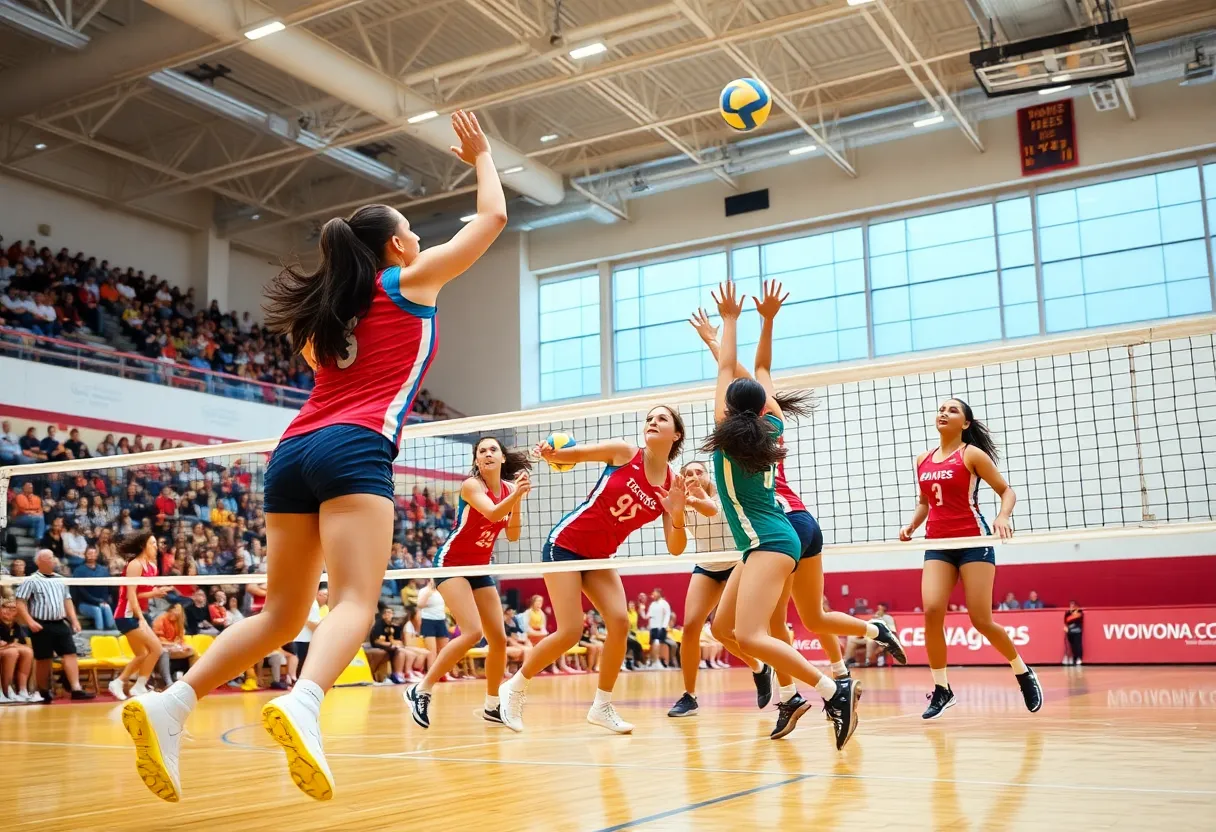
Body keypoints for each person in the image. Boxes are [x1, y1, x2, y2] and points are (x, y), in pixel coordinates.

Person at [118, 108, 508, 803]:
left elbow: (326, 359)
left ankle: (172, 702)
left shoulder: (325, 312)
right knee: (356, 597)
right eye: (412, 232)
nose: (420, 239)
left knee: (283, 614)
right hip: (355, 448)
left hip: (292, 450)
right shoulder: (409, 284)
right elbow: (492, 220)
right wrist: (481, 157)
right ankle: (304, 702)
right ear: (394, 245)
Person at [685, 285, 902, 740]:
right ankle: (796, 693)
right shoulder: (773, 425)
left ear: (728, 408)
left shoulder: (726, 434)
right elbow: (752, 371)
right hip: (763, 541)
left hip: (771, 539)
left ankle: (830, 689)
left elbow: (731, 367)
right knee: (724, 628)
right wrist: (750, 322)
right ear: (764, 406)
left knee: (753, 636)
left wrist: (726, 323)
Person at [498, 405, 690, 734]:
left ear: (676, 435)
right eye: (649, 418)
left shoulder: (671, 485)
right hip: (566, 545)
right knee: (570, 630)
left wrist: (677, 512)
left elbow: (675, 547)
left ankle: (602, 706)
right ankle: (513, 687)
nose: (652, 422)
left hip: (600, 557)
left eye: (661, 419)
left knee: (618, 622)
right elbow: (572, 455)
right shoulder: (624, 452)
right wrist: (550, 451)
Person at [900, 397, 1042, 719]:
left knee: (981, 619)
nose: (943, 413)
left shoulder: (971, 454)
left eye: (952, 410)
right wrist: (911, 524)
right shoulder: (922, 458)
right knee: (932, 611)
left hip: (972, 540)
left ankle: (1022, 671)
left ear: (965, 423)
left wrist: (1004, 516)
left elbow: (1007, 491)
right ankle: (942, 689)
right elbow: (925, 502)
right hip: (937, 542)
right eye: (941, 409)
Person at [405, 437, 532, 729]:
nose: (487, 454)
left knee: (498, 639)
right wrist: (516, 497)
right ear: (476, 460)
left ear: (502, 458)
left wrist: (519, 499)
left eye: (493, 450)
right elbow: (491, 512)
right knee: (473, 632)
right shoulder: (471, 486)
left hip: (479, 566)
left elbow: (512, 535)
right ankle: (420, 689)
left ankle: (491, 706)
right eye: (482, 451)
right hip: (451, 563)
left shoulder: (511, 490)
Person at [13, 550, 95, 701]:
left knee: (70, 653)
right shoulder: (31, 580)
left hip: (60, 623)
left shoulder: (60, 580)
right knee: (44, 659)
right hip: (41, 624)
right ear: (41, 561)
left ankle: (76, 688)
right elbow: (20, 602)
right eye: (51, 558)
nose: (54, 560)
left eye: (53, 557)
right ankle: (43, 691)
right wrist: (30, 621)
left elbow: (67, 601)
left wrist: (74, 620)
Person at [109, 531, 168, 700]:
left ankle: (126, 684)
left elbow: (143, 593)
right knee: (157, 648)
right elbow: (130, 595)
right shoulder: (135, 565)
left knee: (142, 654)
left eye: (157, 543)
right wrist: (140, 617)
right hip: (126, 614)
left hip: (138, 613)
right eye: (153, 543)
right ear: (143, 545)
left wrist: (156, 593)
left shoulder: (153, 567)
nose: (156, 547)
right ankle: (136, 685)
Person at [0, 599, 36, 703]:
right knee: (12, 652)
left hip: (6, 650)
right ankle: (7, 690)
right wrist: (11, 645)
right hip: (6, 651)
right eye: (5, 607)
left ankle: (23, 690)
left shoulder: (15, 625)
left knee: (28, 652)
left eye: (12, 609)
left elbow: (23, 643)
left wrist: (12, 645)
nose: (7, 611)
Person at [370, 607, 408, 684]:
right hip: (378, 646)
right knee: (392, 651)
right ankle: (381, 676)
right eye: (388, 613)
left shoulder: (392, 626)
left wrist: (397, 644)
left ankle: (397, 674)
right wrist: (391, 644)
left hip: (389, 646)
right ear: (383, 615)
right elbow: (377, 641)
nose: (390, 615)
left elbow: (396, 640)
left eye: (391, 613)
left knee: (401, 651)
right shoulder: (379, 625)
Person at [645, 588, 672, 667]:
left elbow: (667, 615)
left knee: (658, 643)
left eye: (655, 593)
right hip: (653, 627)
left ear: (659, 594)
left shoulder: (664, 603)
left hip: (660, 627)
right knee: (653, 644)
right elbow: (648, 616)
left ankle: (657, 661)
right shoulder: (652, 604)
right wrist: (641, 611)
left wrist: (664, 626)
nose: (653, 595)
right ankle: (653, 661)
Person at [1063, 601, 1084, 665]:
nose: (1071, 607)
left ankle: (1079, 658)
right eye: (1070, 605)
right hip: (1070, 632)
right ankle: (1074, 659)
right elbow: (1065, 622)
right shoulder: (1067, 613)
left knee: (1078, 645)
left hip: (1077, 631)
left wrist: (1074, 613)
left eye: (1073, 605)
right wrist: (1066, 628)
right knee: (1072, 646)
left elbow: (1079, 617)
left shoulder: (1080, 612)